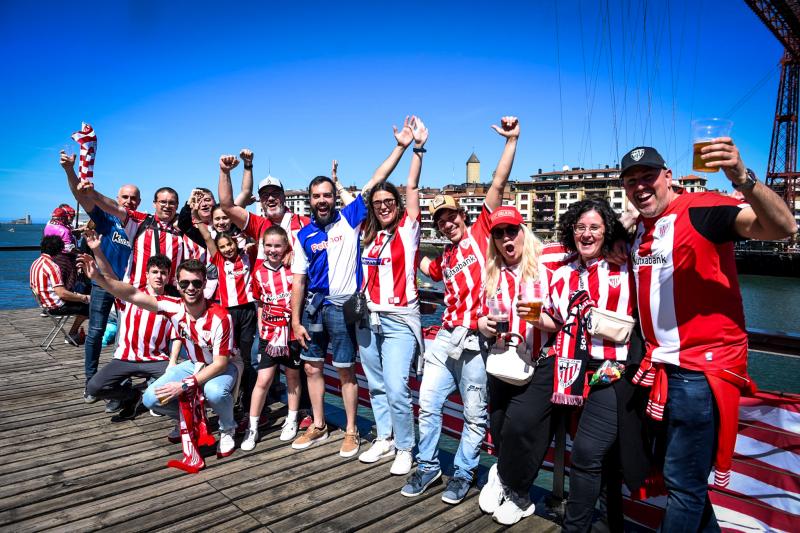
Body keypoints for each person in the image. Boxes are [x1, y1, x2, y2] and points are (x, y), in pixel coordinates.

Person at [620, 142, 797, 531]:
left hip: (700, 373)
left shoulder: (702, 209)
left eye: (648, 177)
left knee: (683, 485)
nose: (641, 186)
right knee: (682, 481)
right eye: (632, 181)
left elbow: (783, 228)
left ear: (668, 177)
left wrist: (741, 176)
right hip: (664, 370)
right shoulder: (640, 233)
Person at [402, 116, 519, 505]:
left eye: (451, 216)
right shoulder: (446, 255)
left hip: (476, 340)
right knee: (428, 405)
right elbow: (420, 262)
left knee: (474, 414)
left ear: (461, 216)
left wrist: (511, 141)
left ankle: (464, 471)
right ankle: (429, 464)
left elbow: (498, 184)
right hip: (446, 338)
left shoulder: (481, 233)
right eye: (440, 220)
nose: (447, 222)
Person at [289, 118, 415, 458]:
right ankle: (317, 424)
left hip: (345, 307)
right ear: (309, 199)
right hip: (314, 306)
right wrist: (294, 320)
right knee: (313, 366)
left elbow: (375, 180)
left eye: (327, 195)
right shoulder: (303, 235)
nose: (323, 200)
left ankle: (351, 430)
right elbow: (298, 280)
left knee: (346, 369)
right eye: (316, 196)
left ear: (334, 197)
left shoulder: (349, 218)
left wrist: (401, 147)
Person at [538, 199, 647, 532]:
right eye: (580, 227)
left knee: (585, 455)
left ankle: (575, 528)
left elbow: (655, 214)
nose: (586, 235)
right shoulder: (564, 272)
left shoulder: (625, 261)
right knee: (605, 460)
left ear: (607, 231)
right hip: (574, 375)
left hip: (615, 372)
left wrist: (623, 233)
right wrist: (521, 313)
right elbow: (552, 317)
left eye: (595, 228)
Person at [81, 256, 242, 458]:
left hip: (225, 366)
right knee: (150, 398)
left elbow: (220, 364)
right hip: (195, 363)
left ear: (204, 284)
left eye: (196, 283)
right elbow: (132, 294)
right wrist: (99, 278)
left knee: (214, 392)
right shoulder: (173, 306)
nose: (190, 288)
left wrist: (184, 385)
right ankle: (187, 418)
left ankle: (228, 427)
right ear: (177, 284)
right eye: (185, 283)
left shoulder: (220, 317)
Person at [475, 206, 574, 525]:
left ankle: (518, 495)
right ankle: (502, 476)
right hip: (503, 361)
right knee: (501, 428)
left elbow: (560, 321)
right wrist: (484, 325)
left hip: (540, 361)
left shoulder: (547, 265)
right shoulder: (492, 271)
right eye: (499, 233)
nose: (506, 238)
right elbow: (479, 315)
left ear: (523, 232)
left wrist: (536, 318)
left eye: (511, 231)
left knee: (521, 428)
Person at [219, 149, 314, 427]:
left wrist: (295, 253)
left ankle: (304, 412)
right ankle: (255, 414)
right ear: (260, 200)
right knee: (260, 364)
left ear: (284, 197)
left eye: (275, 194)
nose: (270, 198)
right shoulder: (259, 225)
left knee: (300, 363)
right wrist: (225, 172)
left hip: (298, 304)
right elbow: (226, 205)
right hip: (267, 308)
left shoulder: (302, 223)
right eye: (265, 195)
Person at [355, 116, 428, 475]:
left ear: (397, 205)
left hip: (399, 320)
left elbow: (412, 185)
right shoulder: (368, 233)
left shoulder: (408, 229)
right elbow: (369, 186)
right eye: (378, 202)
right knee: (376, 384)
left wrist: (416, 149)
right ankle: (384, 438)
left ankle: (405, 446)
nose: (382, 205)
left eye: (388, 201)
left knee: (398, 387)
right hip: (368, 318)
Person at [60, 150, 141, 404]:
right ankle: (90, 382)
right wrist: (70, 170)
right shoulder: (106, 218)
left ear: (139, 202)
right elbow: (80, 194)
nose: (128, 201)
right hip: (102, 283)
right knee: (95, 331)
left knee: (123, 338)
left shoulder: (139, 224)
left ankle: (119, 388)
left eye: (133, 198)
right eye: (124, 197)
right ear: (117, 198)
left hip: (127, 288)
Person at [84, 237, 181, 421]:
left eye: (163, 273)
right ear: (147, 275)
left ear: (168, 277)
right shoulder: (131, 295)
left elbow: (177, 337)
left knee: (178, 384)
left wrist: (173, 363)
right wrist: (97, 251)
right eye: (155, 272)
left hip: (156, 359)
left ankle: (180, 417)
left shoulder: (174, 303)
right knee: (94, 388)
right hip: (125, 358)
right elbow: (111, 279)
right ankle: (131, 396)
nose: (159, 276)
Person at [193, 203, 258, 426]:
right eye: (223, 247)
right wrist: (196, 216)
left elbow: (255, 233)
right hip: (229, 312)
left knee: (248, 358)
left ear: (234, 242)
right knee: (231, 356)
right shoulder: (218, 259)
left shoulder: (247, 255)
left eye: (229, 244)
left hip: (248, 310)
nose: (227, 249)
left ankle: (248, 403)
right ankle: (226, 394)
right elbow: (208, 238)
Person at [242, 226, 303, 449]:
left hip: (292, 335)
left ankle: (292, 419)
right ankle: (253, 426)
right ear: (262, 247)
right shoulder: (258, 272)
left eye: (278, 246)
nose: (273, 250)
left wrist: (293, 253)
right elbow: (259, 302)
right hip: (269, 334)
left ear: (286, 246)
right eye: (268, 245)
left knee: (293, 378)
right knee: (263, 380)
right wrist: (261, 326)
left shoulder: (293, 268)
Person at [76, 179, 185, 293]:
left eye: (172, 203)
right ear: (154, 203)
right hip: (138, 292)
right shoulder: (141, 221)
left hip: (171, 294)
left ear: (177, 205)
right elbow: (117, 208)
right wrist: (92, 193)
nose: (167, 206)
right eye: (162, 202)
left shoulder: (183, 229)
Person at [30, 236, 90, 341]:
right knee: (89, 307)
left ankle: (73, 333)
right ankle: (72, 334)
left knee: (82, 300)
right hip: (56, 306)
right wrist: (83, 297)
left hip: (45, 304)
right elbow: (62, 293)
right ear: (58, 250)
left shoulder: (35, 263)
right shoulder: (53, 266)